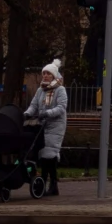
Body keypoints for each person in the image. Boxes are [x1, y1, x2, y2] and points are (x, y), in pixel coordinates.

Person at [24, 59, 68, 196]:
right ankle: (44, 181)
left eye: (48, 73)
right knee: (42, 153)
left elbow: (61, 108)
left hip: (56, 125)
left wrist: (47, 113)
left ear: (54, 75)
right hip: (42, 124)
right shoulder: (40, 90)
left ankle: (53, 184)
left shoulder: (60, 90)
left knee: (50, 153)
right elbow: (34, 105)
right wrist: (27, 114)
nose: (45, 76)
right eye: (44, 73)